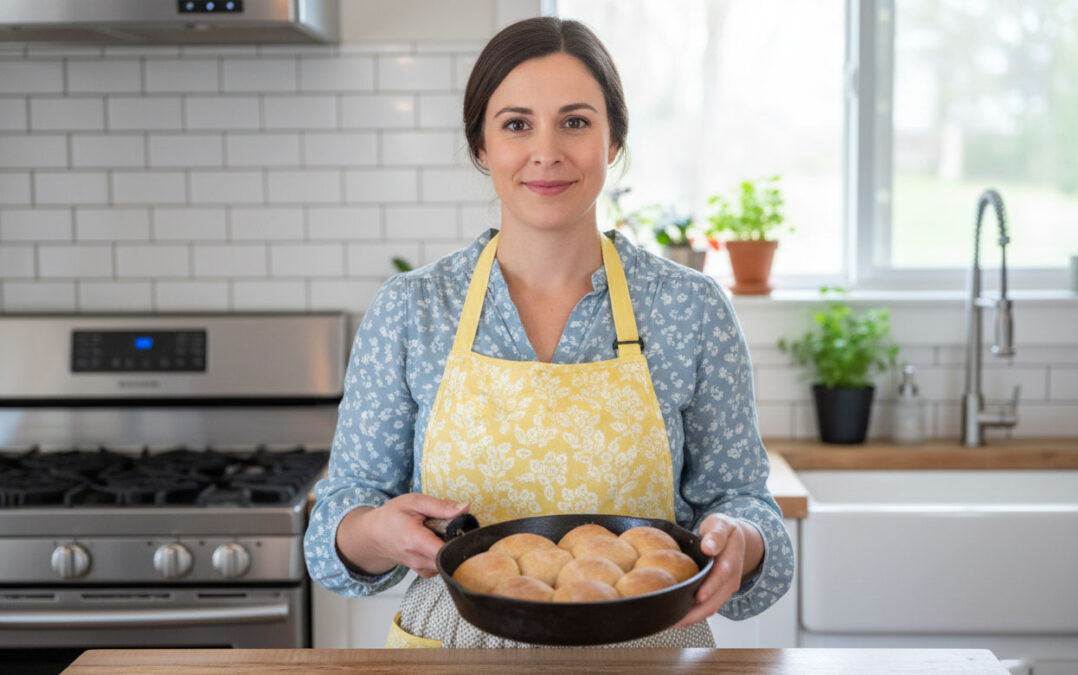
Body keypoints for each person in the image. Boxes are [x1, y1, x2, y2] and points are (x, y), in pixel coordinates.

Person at [304, 16, 793, 648]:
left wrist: (742, 539)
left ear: (612, 140)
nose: (547, 151)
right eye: (516, 124)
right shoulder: (411, 310)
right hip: (454, 654)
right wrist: (372, 532)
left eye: (576, 121)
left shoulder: (690, 308)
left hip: (645, 653)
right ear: (481, 146)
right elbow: (338, 519)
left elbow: (749, 507)